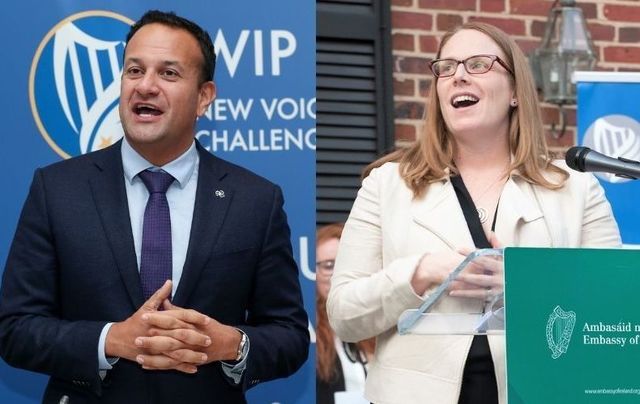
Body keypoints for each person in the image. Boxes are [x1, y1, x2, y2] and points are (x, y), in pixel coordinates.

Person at [0, 10, 309, 404]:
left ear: (204, 97)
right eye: (134, 70)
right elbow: (15, 329)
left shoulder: (255, 200)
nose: (145, 86)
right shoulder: (57, 189)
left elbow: (289, 334)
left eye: (168, 73)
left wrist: (230, 344)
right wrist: (112, 339)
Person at [326, 22, 620, 404]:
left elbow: (615, 307)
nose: (458, 76)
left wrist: (528, 284)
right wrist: (418, 273)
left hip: (541, 390)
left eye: (478, 64)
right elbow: (345, 314)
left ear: (515, 91)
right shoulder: (387, 185)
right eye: (446, 68)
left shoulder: (574, 188)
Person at [316, 223, 374, 404]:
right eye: (328, 265)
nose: (337, 274)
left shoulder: (380, 322)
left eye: (344, 263)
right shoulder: (308, 333)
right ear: (313, 272)